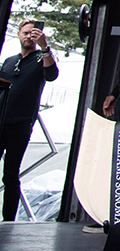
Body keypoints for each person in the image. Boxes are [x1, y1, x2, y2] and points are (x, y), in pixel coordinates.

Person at [0, 19, 58, 221]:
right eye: (25, 33)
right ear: (18, 34)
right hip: (1, 121)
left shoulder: (41, 58)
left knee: (10, 174)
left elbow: (51, 75)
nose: (27, 36)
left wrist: (44, 46)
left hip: (21, 123)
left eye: (32, 33)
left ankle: (8, 220)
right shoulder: (9, 60)